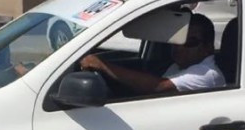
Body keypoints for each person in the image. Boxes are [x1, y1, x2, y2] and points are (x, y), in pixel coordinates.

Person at [80, 13, 224, 95]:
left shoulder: (207, 74)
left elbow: (158, 87)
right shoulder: (179, 66)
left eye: (189, 42)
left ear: (208, 48)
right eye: (178, 40)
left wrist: (103, 66)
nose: (180, 47)